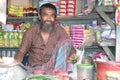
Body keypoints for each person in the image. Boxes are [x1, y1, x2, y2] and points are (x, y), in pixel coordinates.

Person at [14, 3, 76, 75]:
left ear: (55, 18)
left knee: (66, 42)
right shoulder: (31, 32)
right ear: (40, 16)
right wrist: (14, 66)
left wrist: (72, 54)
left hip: (54, 70)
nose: (49, 18)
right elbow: (21, 52)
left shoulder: (60, 31)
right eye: (45, 15)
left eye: (52, 15)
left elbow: (70, 48)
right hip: (34, 70)